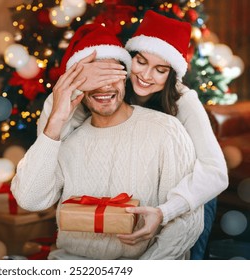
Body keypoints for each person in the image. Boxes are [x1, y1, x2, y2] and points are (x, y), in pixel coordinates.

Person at [37, 10, 228, 260]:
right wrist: (73, 84)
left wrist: (167, 210)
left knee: (192, 225)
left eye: (160, 69)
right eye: (141, 62)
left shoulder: (183, 100)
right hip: (128, 193)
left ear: (172, 74)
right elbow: (56, 135)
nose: (146, 76)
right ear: (130, 57)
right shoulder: (113, 86)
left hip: (184, 191)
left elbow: (215, 171)